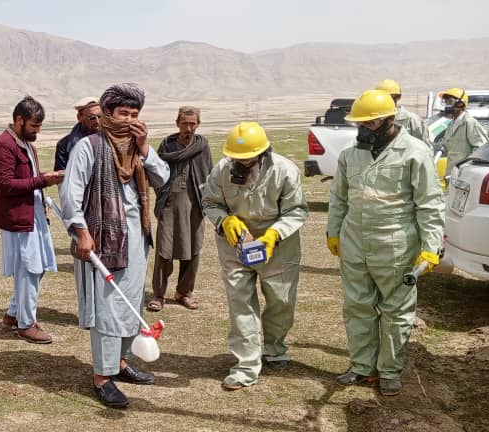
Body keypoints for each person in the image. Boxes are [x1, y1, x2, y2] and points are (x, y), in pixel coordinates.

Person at [328, 89, 444, 397]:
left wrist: (431, 248)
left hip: (396, 248)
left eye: (370, 124)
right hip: (354, 245)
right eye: (359, 124)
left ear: (390, 120)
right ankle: (362, 367)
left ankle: (390, 371)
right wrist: (333, 231)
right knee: (357, 307)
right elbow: (339, 198)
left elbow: (430, 205)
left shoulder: (414, 152)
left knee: (396, 311)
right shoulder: (350, 155)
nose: (363, 130)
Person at [60, 83, 170, 408]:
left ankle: (121, 364)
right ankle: (102, 377)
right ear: (107, 113)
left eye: (135, 114)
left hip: (136, 239)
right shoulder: (89, 147)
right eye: (124, 113)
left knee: (130, 304)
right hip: (103, 241)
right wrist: (80, 231)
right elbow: (70, 194)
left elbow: (162, 177)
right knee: (109, 310)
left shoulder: (136, 148)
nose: (130, 119)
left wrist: (145, 145)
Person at [201, 121, 308, 391]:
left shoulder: (284, 170)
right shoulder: (222, 170)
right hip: (235, 243)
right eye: (236, 157)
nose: (241, 162)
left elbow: (296, 211)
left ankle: (274, 348)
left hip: (278, 245)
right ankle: (246, 366)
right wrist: (224, 221)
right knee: (241, 303)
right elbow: (210, 202)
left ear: (262, 152)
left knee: (281, 300)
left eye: (247, 157)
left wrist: (274, 235)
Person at [0, 96, 65, 344]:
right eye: (34, 126)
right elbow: (7, 184)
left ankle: (13, 313)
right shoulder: (4, 146)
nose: (37, 131)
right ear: (19, 120)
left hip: (32, 214)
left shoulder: (25, 144)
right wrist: (45, 180)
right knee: (29, 270)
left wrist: (46, 179)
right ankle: (26, 324)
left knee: (36, 268)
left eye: (40, 126)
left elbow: (27, 177)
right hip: (17, 218)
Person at [147, 105, 212, 312]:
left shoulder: (202, 146)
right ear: (177, 123)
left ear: (198, 125)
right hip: (170, 204)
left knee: (192, 250)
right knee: (164, 251)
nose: (189, 128)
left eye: (193, 124)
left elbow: (208, 174)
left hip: (195, 205)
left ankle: (184, 292)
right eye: (185, 123)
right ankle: (158, 294)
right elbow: (155, 172)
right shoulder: (167, 146)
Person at [439, 87, 488, 174]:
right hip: (452, 174)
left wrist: (466, 168)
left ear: (461, 104)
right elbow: (445, 146)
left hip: (465, 175)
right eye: (445, 102)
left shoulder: (470, 123)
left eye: (449, 102)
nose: (447, 105)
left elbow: (481, 149)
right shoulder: (451, 124)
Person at [375, 79, 432, 148]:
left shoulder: (412, 120)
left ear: (398, 97)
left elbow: (425, 149)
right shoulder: (373, 120)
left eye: (389, 97)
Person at [54, 97, 102, 171]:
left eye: (100, 116)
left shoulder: (112, 139)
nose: (97, 121)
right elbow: (61, 177)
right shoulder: (64, 145)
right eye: (92, 117)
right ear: (79, 117)